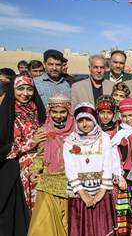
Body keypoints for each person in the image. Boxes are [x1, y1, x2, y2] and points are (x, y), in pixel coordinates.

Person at [0, 74, 46, 236]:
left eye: (29, 89)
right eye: (20, 88)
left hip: (40, 167)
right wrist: (31, 142)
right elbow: (3, 148)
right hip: (17, 170)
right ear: (13, 90)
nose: (25, 93)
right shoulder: (7, 114)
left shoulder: (37, 110)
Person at [63, 102, 116, 236]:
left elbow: (108, 165)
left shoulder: (104, 138)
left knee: (101, 226)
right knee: (82, 227)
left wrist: (101, 192)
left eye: (88, 120)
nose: (85, 124)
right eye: (80, 120)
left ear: (94, 120)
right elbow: (70, 169)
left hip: (100, 191)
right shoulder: (69, 141)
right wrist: (83, 194)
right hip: (79, 193)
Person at [28, 93, 75, 235]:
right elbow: (41, 154)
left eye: (62, 112)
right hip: (48, 181)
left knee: (68, 221)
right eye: (54, 111)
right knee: (45, 224)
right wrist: (34, 171)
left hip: (70, 182)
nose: (58, 115)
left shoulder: (75, 132)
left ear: (69, 112)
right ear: (49, 111)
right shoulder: (44, 131)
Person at [111, 97, 132, 236]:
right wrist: (118, 175)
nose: (128, 119)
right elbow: (113, 154)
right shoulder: (118, 132)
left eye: (131, 115)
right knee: (123, 211)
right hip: (123, 175)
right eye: (124, 116)